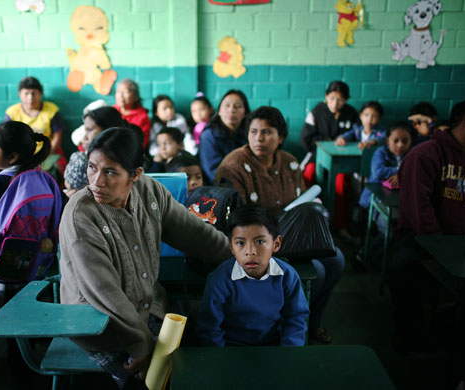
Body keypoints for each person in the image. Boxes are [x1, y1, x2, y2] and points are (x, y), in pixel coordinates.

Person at [58, 127, 232, 389]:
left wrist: (238, 255)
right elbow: (103, 290)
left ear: (136, 175)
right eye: (92, 168)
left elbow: (194, 233)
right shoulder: (80, 215)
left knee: (196, 363)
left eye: (110, 172)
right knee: (149, 381)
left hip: (148, 308)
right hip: (99, 323)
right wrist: (140, 343)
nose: (96, 181)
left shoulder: (150, 192)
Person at [215, 106, 345, 344]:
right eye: (253, 132)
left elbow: (302, 202)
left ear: (281, 137)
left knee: (336, 259)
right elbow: (236, 221)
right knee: (318, 271)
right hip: (257, 242)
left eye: (266, 132)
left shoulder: (290, 162)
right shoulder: (233, 166)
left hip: (290, 235)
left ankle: (311, 323)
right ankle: (283, 326)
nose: (259, 138)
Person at [388, 98, 465, 351]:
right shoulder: (425, 154)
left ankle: (461, 338)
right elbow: (419, 210)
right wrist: (441, 247)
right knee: (403, 268)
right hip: (423, 239)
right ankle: (410, 338)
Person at [196, 205, 309, 347]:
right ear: (231, 247)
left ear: (276, 244)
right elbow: (210, 329)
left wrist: (287, 355)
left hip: (274, 349)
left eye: (260, 242)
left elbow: (296, 320)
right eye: (240, 243)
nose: (250, 252)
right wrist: (222, 360)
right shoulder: (220, 280)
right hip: (231, 351)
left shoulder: (287, 276)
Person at [0, 121, 52, 295]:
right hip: (39, 265)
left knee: (3, 316)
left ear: (12, 157)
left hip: (0, 269)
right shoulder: (44, 180)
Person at [300, 80, 359, 240]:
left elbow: (357, 137)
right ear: (326, 96)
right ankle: (304, 221)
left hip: (342, 162)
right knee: (308, 173)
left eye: (340, 99)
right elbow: (305, 139)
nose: (335, 103)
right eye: (332, 98)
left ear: (346, 99)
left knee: (341, 181)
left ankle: (340, 225)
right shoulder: (316, 112)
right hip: (316, 156)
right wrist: (328, 142)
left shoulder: (351, 114)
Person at [352, 121, 414, 270]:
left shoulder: (412, 155)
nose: (400, 145)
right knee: (389, 233)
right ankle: (365, 255)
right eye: (395, 141)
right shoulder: (380, 152)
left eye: (405, 141)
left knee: (407, 232)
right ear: (387, 141)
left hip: (399, 202)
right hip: (375, 201)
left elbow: (417, 172)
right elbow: (378, 172)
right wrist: (401, 171)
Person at [4, 76, 67, 175]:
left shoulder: (52, 110)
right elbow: (6, 139)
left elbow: (57, 139)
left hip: (48, 153)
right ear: (20, 94)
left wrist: (43, 155)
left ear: (40, 93)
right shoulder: (12, 113)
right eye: (26, 93)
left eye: (33, 93)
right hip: (21, 156)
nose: (30, 98)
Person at [64, 106, 127, 195]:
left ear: (107, 129)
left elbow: (69, 184)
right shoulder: (130, 153)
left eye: (89, 130)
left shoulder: (81, 159)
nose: (85, 136)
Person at [199, 89, 250, 183]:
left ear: (245, 113)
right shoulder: (209, 136)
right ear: (219, 111)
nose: (231, 110)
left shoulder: (250, 134)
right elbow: (213, 174)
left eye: (237, 106)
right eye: (227, 106)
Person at [113, 78, 151, 150]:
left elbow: (142, 144)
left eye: (125, 92)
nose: (121, 95)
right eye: (118, 92)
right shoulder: (111, 111)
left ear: (135, 97)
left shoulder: (142, 117)